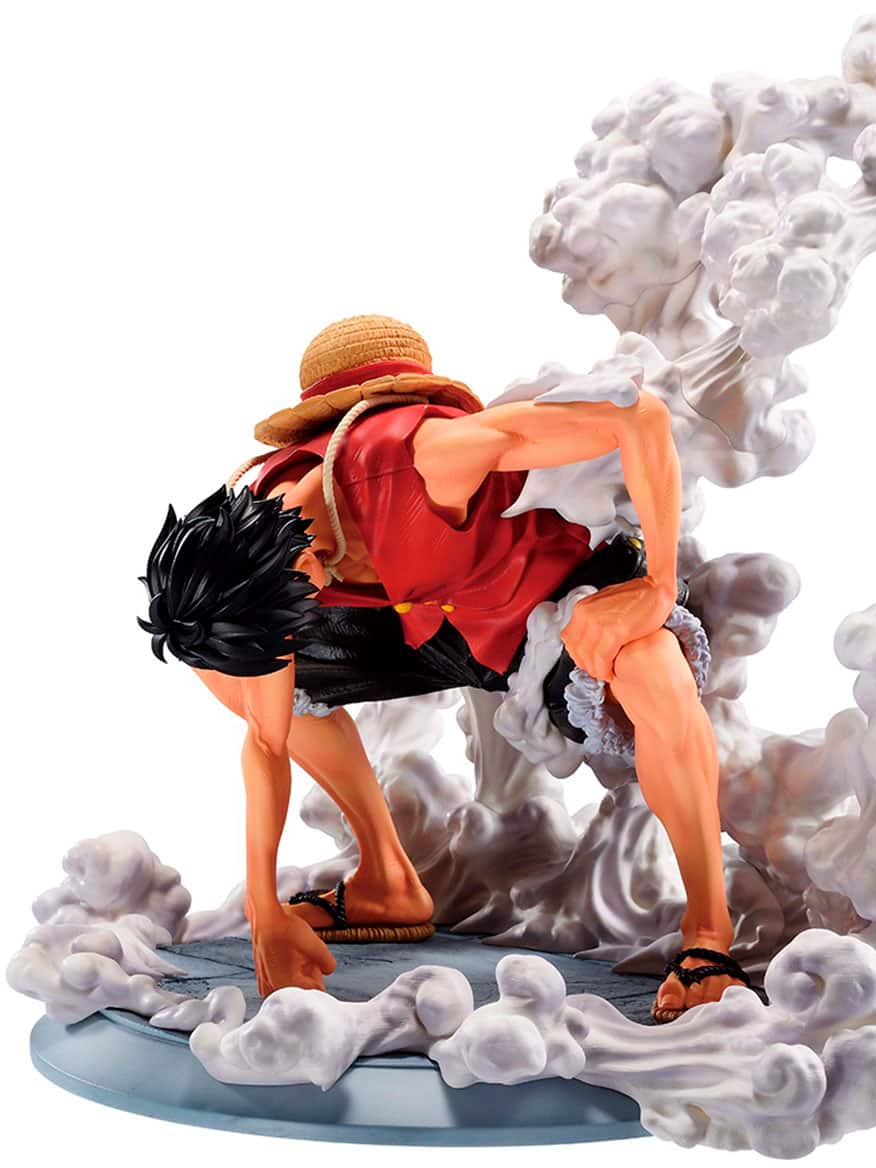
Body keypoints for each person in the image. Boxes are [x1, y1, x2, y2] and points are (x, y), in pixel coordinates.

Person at [140, 315, 754, 1020]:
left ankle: (708, 941)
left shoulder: (427, 454)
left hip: (548, 606)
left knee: (654, 668)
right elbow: (267, 736)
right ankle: (387, 882)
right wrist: (265, 913)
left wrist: (657, 589)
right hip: (437, 625)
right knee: (225, 670)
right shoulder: (247, 543)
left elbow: (636, 417)